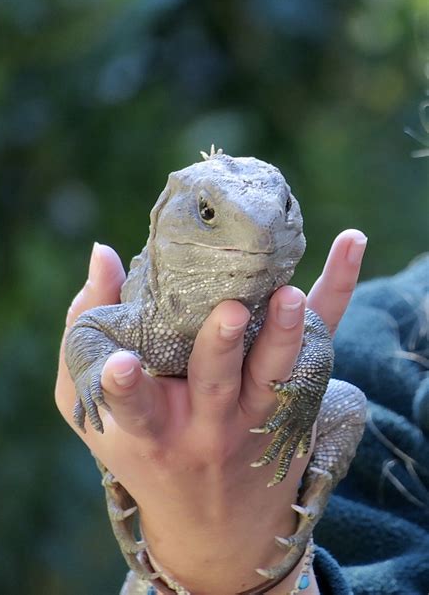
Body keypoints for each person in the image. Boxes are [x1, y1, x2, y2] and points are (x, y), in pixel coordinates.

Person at [55, 229, 368, 595]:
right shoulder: (147, 309)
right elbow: (87, 332)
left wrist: (248, 568)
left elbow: (318, 350)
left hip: (293, 472)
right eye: (208, 214)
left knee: (348, 403)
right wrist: (95, 381)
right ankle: (115, 480)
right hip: (140, 430)